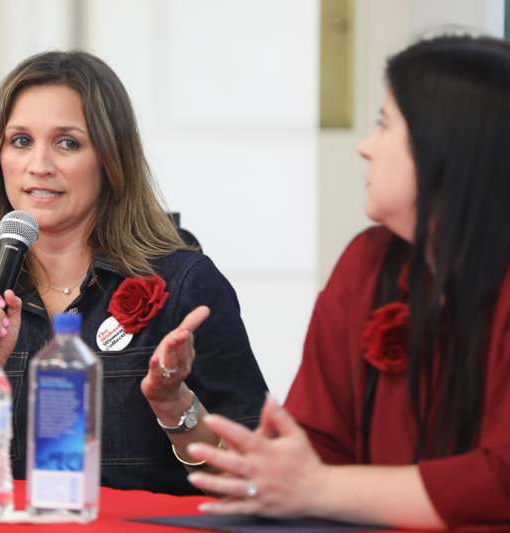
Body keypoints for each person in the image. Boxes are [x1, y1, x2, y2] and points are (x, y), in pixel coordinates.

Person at [0, 50, 268, 495]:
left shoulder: (185, 285)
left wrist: (175, 406)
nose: (39, 165)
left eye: (67, 143)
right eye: (20, 141)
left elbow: (251, 476)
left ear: (110, 162)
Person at [186, 34, 510, 529]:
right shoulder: (368, 262)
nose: (365, 147)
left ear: (448, 151)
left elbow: (499, 483)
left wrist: (318, 487)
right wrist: (272, 469)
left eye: (384, 126)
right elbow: (319, 440)